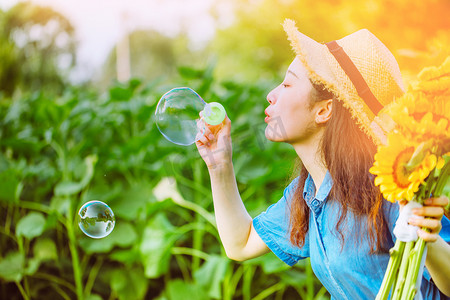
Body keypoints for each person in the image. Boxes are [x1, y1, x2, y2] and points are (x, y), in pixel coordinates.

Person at [195, 19, 450, 299]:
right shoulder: (305, 196)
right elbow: (240, 244)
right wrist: (219, 163)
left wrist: (427, 238)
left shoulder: (387, 188)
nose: (271, 95)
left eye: (288, 85)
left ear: (324, 110)